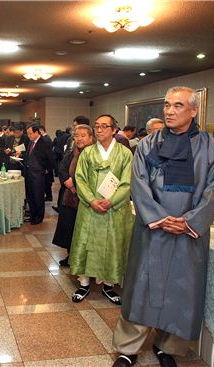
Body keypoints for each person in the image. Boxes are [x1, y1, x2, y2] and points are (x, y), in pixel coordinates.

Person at [111, 86, 214, 367]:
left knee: (180, 291)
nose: (169, 111)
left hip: (188, 234)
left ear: (193, 111)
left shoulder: (212, 149)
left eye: (177, 105)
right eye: (166, 105)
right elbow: (138, 184)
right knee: (142, 287)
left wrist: (188, 222)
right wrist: (160, 218)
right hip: (153, 230)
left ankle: (167, 347)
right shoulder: (148, 145)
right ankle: (128, 348)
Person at [69, 115, 134, 305]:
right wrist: (91, 200)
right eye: (96, 126)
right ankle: (84, 282)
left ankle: (108, 284)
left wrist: (111, 201)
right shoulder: (87, 153)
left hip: (114, 209)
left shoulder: (124, 154)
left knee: (112, 244)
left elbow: (127, 181)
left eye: (104, 126)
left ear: (114, 130)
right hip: (90, 208)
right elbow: (79, 179)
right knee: (86, 242)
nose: (99, 130)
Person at [52, 124, 94, 266]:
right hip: (69, 198)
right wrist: (66, 180)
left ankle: (84, 260)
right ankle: (71, 257)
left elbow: (92, 176)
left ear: (91, 137)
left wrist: (75, 184)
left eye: (83, 136)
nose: (79, 139)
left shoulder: (94, 154)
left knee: (83, 232)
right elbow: (62, 167)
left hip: (85, 200)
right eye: (76, 136)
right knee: (70, 228)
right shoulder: (72, 153)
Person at [23, 124, 55, 225]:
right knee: (30, 196)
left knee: (38, 196)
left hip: (38, 174)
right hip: (29, 173)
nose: (29, 136)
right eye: (27, 134)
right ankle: (33, 214)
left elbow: (50, 158)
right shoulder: (31, 142)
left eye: (30, 133)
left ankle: (38, 217)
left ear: (37, 132)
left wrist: (46, 170)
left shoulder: (44, 142)